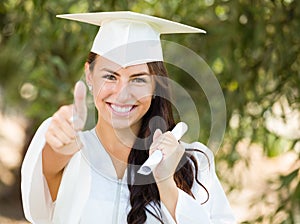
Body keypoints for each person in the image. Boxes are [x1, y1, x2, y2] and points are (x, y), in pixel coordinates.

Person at [21, 11, 236, 223]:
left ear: (155, 84)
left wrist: (167, 184)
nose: (122, 94)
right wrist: (57, 149)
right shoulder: (72, 155)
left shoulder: (193, 162)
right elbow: (41, 191)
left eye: (138, 80)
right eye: (110, 76)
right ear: (89, 75)